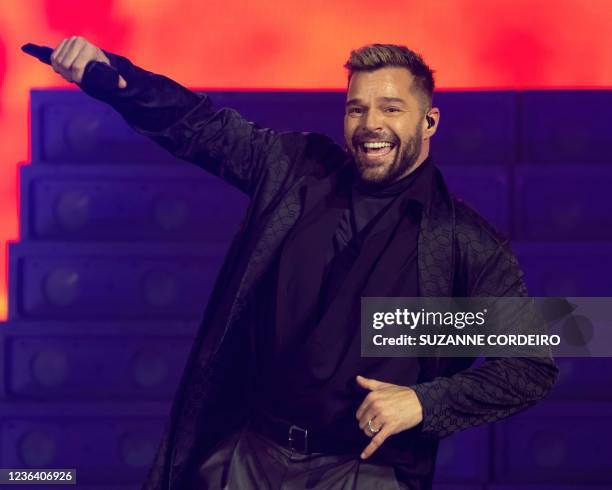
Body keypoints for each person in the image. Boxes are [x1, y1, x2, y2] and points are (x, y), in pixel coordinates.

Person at [48, 36, 558, 489]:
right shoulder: (297, 171)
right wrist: (113, 79)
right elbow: (202, 127)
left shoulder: (463, 241)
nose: (370, 125)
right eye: (356, 109)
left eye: (390, 109)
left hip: (364, 472)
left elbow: (532, 363)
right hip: (250, 456)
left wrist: (426, 402)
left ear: (429, 121)